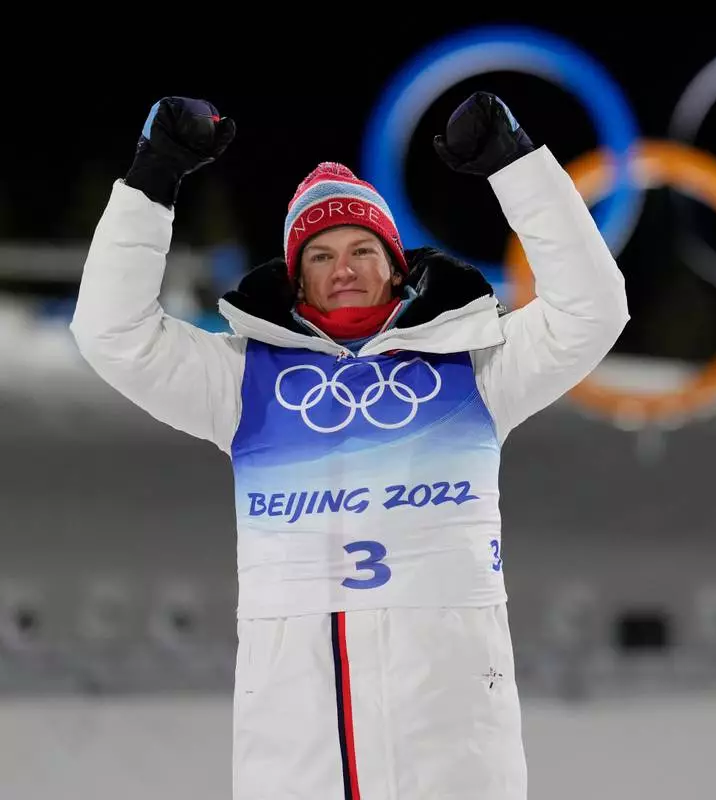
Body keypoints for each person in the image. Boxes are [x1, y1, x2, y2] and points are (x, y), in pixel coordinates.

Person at [70, 92, 628, 799]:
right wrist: (153, 177)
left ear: (396, 265)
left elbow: (593, 311)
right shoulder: (243, 381)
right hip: (297, 746)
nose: (344, 267)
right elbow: (111, 335)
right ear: (296, 278)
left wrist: (516, 167)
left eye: (364, 248)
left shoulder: (476, 365)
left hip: (452, 742)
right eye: (321, 254)